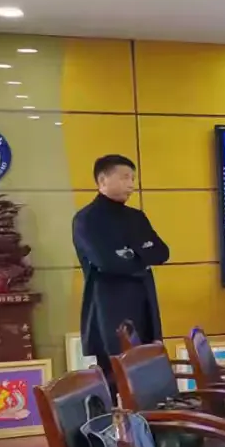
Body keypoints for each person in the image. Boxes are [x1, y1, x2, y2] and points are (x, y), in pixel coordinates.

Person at [73, 154, 169, 367]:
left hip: (143, 301)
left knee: (147, 367)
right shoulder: (87, 219)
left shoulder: (136, 217)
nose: (131, 184)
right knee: (116, 371)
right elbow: (105, 261)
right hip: (109, 305)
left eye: (133, 178)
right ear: (102, 180)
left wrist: (128, 253)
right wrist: (141, 255)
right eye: (125, 177)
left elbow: (161, 253)